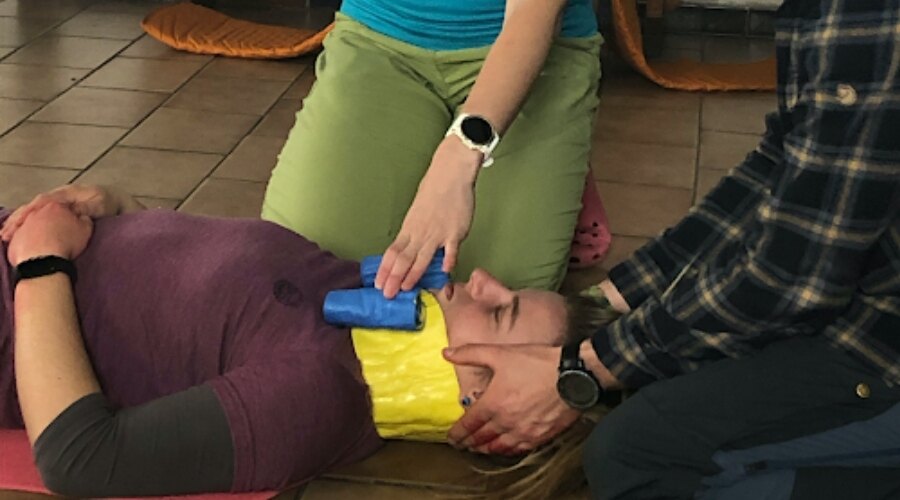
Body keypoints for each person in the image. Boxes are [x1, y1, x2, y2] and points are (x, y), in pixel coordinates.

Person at [442, 0, 900, 498]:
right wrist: (604, 306)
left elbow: (792, 279)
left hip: (882, 341)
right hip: (863, 296)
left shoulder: (870, 17)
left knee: (634, 454)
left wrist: (583, 368)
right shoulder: (821, 13)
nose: (481, 278)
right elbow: (777, 168)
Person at [0, 184, 609, 498]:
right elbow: (183, 294)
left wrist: (41, 264)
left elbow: (79, 458)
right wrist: (115, 205)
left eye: (501, 314)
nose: (485, 281)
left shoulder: (315, 396)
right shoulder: (349, 293)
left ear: (482, 403)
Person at [261, 0, 603, 298]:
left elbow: (534, 12)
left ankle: (555, 158)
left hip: (539, 47)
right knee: (297, 276)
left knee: (496, 298)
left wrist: (458, 161)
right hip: (379, 38)